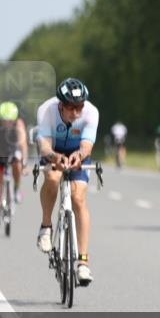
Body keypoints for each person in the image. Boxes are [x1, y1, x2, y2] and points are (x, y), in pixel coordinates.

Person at [35, 78, 99, 284]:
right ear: (61, 104)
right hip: (53, 150)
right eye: (72, 107)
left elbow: (87, 146)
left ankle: (83, 263)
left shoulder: (91, 112)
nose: (76, 113)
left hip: (78, 153)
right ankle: (46, 226)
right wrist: (56, 158)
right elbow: (44, 147)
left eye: (80, 107)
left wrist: (78, 156)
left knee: (78, 197)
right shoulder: (46, 110)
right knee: (53, 178)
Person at [0, 101, 29, 226]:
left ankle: (16, 188)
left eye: (10, 121)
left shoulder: (19, 124)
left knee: (17, 165)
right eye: (4, 121)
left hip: (13, 150)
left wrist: (25, 163)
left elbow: (23, 145)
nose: (7, 123)